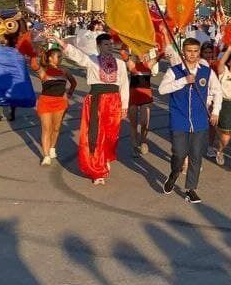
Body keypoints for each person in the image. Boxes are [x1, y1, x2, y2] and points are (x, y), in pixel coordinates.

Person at [61, 33, 129, 185]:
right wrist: (62, 43)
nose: (109, 47)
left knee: (111, 135)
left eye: (111, 44)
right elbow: (77, 56)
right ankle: (97, 169)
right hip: (97, 101)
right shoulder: (92, 60)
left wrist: (124, 105)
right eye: (106, 44)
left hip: (114, 101)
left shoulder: (120, 63)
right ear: (99, 46)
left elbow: (124, 85)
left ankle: (104, 157)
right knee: (96, 134)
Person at [158, 38, 221, 203]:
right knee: (179, 153)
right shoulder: (174, 71)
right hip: (179, 118)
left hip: (200, 119)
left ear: (198, 52)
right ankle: (174, 173)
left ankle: (191, 189)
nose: (192, 54)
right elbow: (162, 89)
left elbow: (217, 91)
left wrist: (215, 112)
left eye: (195, 51)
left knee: (196, 155)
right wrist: (183, 81)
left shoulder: (207, 72)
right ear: (183, 52)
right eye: (189, 51)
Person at [31, 44, 76, 166]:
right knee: (46, 128)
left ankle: (52, 148)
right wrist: (33, 53)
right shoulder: (43, 70)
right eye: (58, 56)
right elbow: (34, 65)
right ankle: (46, 156)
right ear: (50, 58)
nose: (60, 58)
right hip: (45, 102)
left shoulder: (65, 71)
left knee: (56, 128)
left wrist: (69, 93)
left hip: (60, 103)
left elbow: (73, 82)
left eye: (61, 56)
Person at [126, 51, 157, 155]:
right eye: (138, 53)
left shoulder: (148, 64)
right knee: (133, 124)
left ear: (147, 55)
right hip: (133, 97)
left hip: (145, 97)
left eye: (143, 53)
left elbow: (161, 55)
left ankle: (143, 140)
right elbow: (122, 52)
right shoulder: (132, 65)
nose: (141, 55)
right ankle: (134, 146)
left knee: (144, 122)